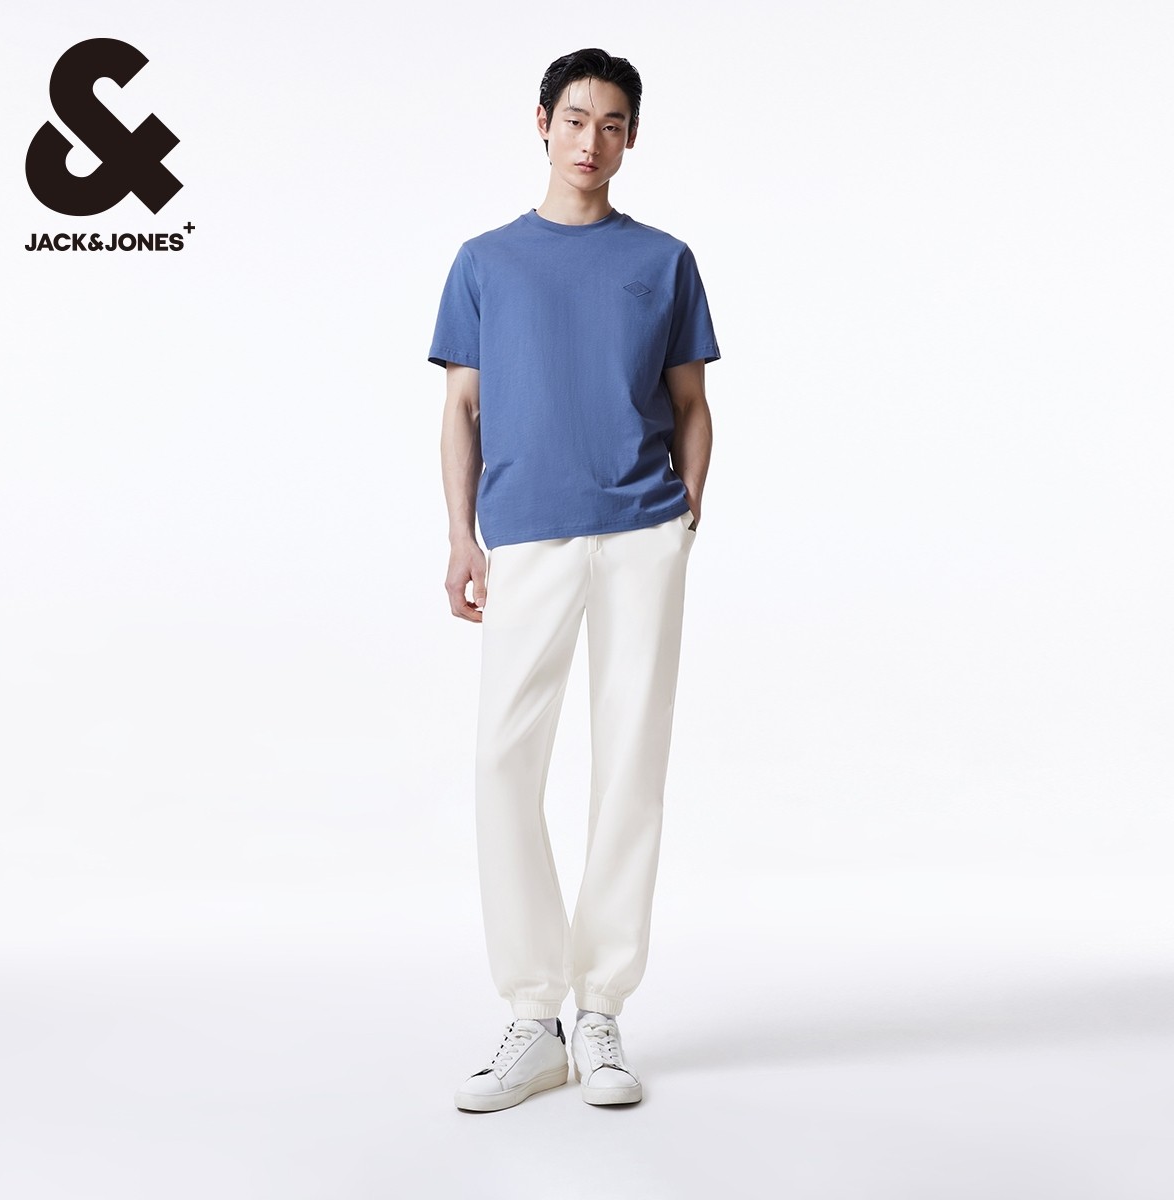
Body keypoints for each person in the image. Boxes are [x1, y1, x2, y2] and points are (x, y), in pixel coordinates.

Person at [428, 47, 720, 1112]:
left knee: (630, 763)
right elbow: (462, 409)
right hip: (527, 538)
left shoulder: (664, 261)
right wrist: (460, 538)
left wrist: (685, 513)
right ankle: (532, 1012)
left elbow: (691, 404)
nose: (592, 140)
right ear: (543, 122)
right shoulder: (484, 262)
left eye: (613, 124)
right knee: (505, 759)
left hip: (641, 533)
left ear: (631, 139)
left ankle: (599, 1012)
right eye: (576, 119)